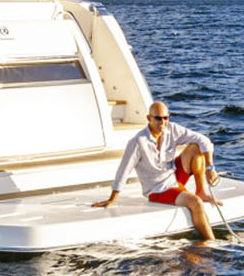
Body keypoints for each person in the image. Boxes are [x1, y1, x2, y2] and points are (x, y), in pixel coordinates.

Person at [93, 101, 220, 240]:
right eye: (158, 118)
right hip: (158, 189)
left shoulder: (172, 129)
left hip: (173, 177)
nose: (162, 122)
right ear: (149, 118)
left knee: (196, 147)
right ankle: (210, 242)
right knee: (196, 203)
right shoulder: (137, 142)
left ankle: (201, 191)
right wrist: (112, 198)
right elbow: (124, 169)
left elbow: (204, 140)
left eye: (165, 118)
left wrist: (210, 168)